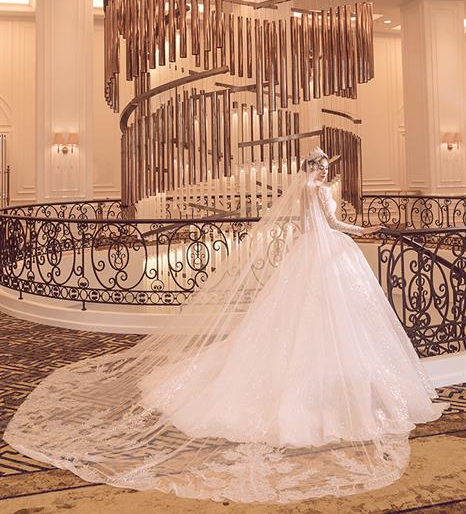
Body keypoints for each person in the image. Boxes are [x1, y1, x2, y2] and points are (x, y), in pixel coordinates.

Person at [3, 146, 444, 503]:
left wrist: (343, 231)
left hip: (312, 252)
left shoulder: (303, 191)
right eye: (323, 165)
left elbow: (307, 225)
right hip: (328, 251)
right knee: (329, 319)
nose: (326, 170)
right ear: (315, 168)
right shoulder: (319, 191)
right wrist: (363, 231)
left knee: (302, 319)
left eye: (326, 165)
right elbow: (331, 223)